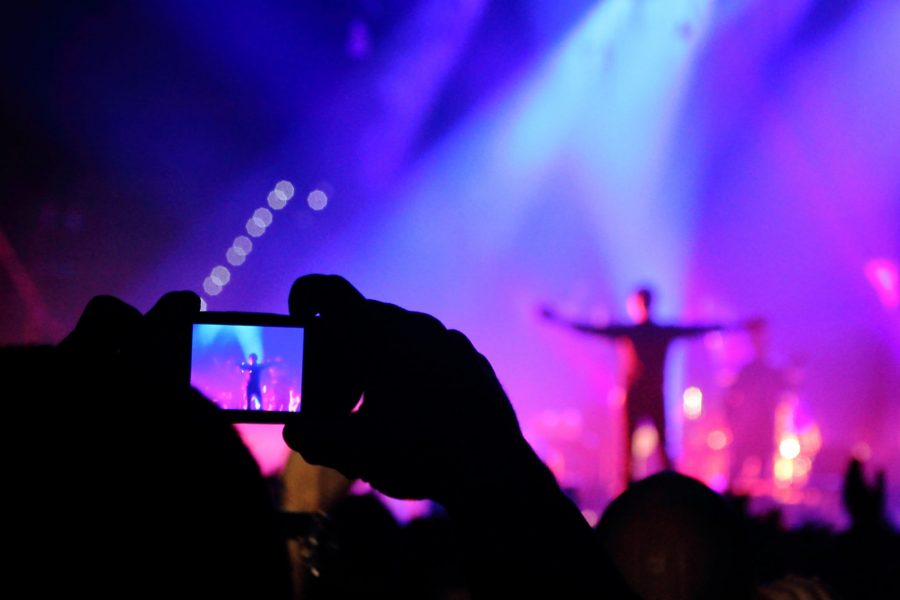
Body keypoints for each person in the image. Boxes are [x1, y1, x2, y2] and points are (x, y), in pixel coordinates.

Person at [543, 286, 745, 484]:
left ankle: (642, 494)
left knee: (637, 452)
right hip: (647, 396)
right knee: (652, 451)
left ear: (637, 305)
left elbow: (592, 330)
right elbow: (697, 330)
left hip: (641, 396)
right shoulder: (657, 332)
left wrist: (558, 320)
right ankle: (666, 491)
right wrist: (737, 325)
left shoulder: (639, 332)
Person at [725, 318, 792, 491]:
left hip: (763, 424)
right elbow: (731, 398)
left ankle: (760, 505)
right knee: (739, 467)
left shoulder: (771, 371)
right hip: (748, 425)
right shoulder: (748, 371)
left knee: (763, 471)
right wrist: (732, 419)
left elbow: (787, 388)